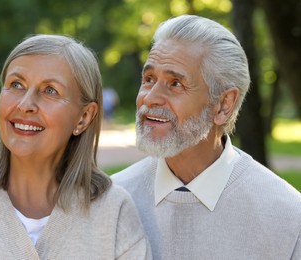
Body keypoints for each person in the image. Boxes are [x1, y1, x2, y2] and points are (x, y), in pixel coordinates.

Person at [0, 34, 152, 259]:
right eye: (16, 85)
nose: (25, 104)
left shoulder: (113, 211)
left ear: (84, 117)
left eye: (50, 90)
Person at [112, 14, 301, 259]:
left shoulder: (287, 216)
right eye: (149, 79)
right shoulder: (111, 201)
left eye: (175, 83)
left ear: (223, 105)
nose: (149, 98)